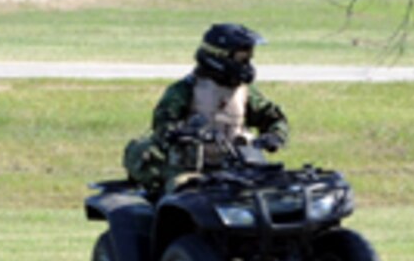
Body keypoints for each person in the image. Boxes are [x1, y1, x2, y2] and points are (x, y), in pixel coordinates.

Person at [122, 22, 289, 196]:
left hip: (239, 168)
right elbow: (163, 126)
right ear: (219, 57)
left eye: (249, 59)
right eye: (242, 59)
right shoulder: (184, 90)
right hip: (188, 170)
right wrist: (185, 133)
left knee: (276, 193)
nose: (247, 65)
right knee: (187, 194)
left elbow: (273, 118)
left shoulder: (246, 92)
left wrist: (275, 136)